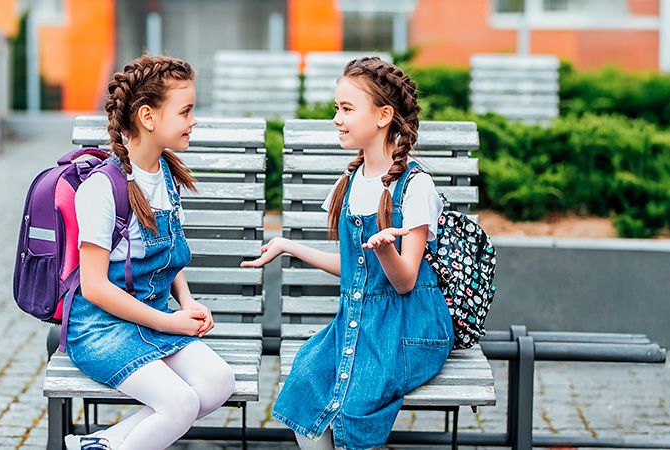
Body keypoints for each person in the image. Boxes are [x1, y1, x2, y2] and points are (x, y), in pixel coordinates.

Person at [241, 57, 453, 450]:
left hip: (409, 328)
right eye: (336, 108)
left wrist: (386, 248)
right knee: (306, 378)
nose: (337, 119)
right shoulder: (350, 181)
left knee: (356, 401)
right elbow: (356, 273)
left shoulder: (416, 186)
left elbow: (405, 281)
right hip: (357, 321)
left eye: (347, 109)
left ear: (384, 116)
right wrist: (288, 245)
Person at [65, 55, 235, 450]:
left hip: (154, 319)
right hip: (102, 328)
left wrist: (187, 303)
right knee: (179, 403)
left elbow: (168, 255)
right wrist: (170, 322)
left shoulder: (166, 175)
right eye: (186, 111)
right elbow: (93, 287)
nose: (194, 121)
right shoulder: (102, 189)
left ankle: (102, 444)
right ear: (148, 116)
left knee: (218, 381)